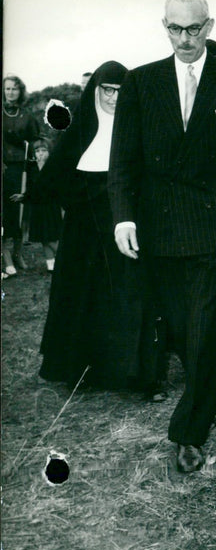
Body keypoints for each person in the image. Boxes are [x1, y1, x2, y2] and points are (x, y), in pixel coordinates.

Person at [108, 0, 216, 474]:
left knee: (203, 326)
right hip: (159, 227)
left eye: (194, 28)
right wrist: (123, 216)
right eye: (174, 28)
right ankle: (206, 387)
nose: (184, 38)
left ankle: (189, 429)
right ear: (164, 26)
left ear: (209, 26)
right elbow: (123, 159)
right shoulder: (141, 83)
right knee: (182, 328)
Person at [15, 61, 168, 395]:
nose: (114, 98)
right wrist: (33, 194)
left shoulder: (142, 126)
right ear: (95, 91)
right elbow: (58, 176)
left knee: (133, 298)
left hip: (127, 226)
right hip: (84, 232)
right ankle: (82, 371)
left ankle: (140, 376)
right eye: (108, 91)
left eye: (121, 91)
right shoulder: (81, 131)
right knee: (83, 296)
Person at [2, 74, 40, 278]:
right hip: (2, 169)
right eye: (7, 88)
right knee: (4, 213)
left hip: (19, 170)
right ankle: (6, 257)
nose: (10, 92)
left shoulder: (26, 115)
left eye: (14, 89)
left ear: (20, 91)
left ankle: (17, 254)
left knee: (19, 212)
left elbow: (34, 141)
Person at [28, 139, 62, 272]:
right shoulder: (32, 168)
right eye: (37, 151)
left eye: (43, 150)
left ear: (49, 152)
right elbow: (32, 187)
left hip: (50, 206)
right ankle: (51, 263)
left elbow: (50, 187)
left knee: (52, 236)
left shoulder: (53, 166)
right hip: (38, 207)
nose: (40, 154)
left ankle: (64, 259)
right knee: (43, 237)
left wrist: (42, 168)